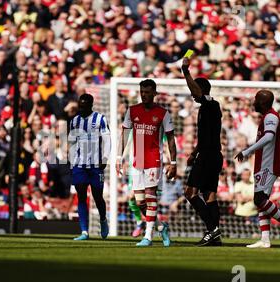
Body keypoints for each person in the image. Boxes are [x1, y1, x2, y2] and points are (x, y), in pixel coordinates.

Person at [117, 79, 177, 247]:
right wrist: (118, 158)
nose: (144, 95)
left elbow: (171, 139)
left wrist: (173, 162)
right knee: (139, 202)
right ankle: (160, 226)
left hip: (153, 160)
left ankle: (148, 236)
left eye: (148, 92)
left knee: (151, 197)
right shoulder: (132, 111)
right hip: (137, 160)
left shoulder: (163, 113)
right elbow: (124, 135)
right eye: (142, 92)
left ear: (154, 93)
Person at [235, 90, 280, 248]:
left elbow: (269, 137)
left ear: (262, 102)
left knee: (259, 200)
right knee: (262, 201)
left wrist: (247, 151)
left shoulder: (271, 116)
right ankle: (265, 239)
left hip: (268, 165)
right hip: (263, 164)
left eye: (256, 100)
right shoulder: (267, 116)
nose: (253, 103)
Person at [181, 57, 223, 246]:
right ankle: (215, 236)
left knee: (190, 193)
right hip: (209, 154)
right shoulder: (205, 109)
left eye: (194, 90)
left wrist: (185, 70)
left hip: (209, 157)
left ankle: (213, 230)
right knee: (209, 196)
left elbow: (197, 91)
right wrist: (193, 153)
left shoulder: (211, 105)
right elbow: (206, 136)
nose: (192, 94)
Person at [68, 93, 111, 240]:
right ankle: (84, 232)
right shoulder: (74, 121)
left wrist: (105, 157)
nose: (81, 108)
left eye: (84, 106)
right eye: (80, 105)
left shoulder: (100, 119)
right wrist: (72, 162)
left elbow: (107, 139)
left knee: (97, 197)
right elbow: (72, 143)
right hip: (79, 165)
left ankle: (103, 219)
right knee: (81, 196)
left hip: (95, 165)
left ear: (91, 105)